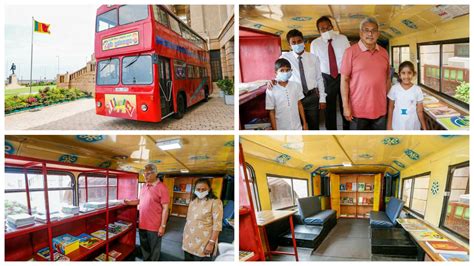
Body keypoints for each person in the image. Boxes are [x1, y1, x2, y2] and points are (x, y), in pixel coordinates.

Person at [340, 17, 391, 130]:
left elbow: (387, 79)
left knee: (378, 144)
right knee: (358, 144)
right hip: (357, 110)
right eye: (366, 30)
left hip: (380, 109)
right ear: (360, 33)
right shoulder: (350, 52)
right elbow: (344, 80)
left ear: (378, 33)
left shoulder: (384, 53)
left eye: (373, 30)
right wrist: (345, 106)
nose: (370, 33)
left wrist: (389, 102)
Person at [280, 29, 326, 130]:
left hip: (312, 97)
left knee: (314, 127)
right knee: (298, 128)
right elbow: (279, 75)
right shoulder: (284, 58)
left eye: (299, 41)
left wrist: (322, 98)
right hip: (295, 99)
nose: (297, 44)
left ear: (304, 42)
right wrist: (272, 81)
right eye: (294, 42)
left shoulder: (313, 58)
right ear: (289, 45)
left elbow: (319, 79)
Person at [310, 16, 351, 130]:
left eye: (328, 27)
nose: (326, 30)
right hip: (326, 78)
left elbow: (350, 58)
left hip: (343, 76)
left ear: (332, 27)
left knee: (345, 105)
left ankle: (347, 130)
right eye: (323, 29)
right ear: (319, 31)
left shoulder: (343, 39)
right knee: (329, 109)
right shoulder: (315, 44)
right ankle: (331, 131)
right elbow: (314, 65)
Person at [124, 164, 170, 261]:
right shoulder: (144, 185)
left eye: (148, 173)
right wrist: (129, 202)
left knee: (154, 250)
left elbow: (166, 208)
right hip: (142, 224)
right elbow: (140, 201)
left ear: (155, 173)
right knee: (144, 248)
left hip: (154, 226)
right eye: (144, 173)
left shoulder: (162, 188)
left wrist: (163, 226)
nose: (145, 176)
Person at [182, 178, 223, 261]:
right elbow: (189, 220)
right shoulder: (193, 201)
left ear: (209, 189)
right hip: (188, 239)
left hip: (204, 242)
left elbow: (217, 225)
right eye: (198, 189)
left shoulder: (215, 202)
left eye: (203, 189)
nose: (200, 191)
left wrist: (211, 243)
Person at [266, 58, 308, 130]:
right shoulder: (271, 89)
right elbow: (271, 111)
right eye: (282, 70)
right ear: (276, 73)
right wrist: (275, 130)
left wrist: (304, 123)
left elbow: (299, 104)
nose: (285, 72)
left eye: (287, 70)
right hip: (281, 128)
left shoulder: (296, 85)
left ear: (291, 71)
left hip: (297, 127)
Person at [387, 61, 427, 130]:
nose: (406, 76)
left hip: (413, 125)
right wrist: (389, 126)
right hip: (397, 125)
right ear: (399, 74)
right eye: (403, 73)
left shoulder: (417, 90)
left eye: (409, 73)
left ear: (413, 74)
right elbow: (390, 108)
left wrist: (424, 128)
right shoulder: (394, 89)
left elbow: (420, 111)